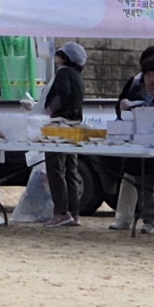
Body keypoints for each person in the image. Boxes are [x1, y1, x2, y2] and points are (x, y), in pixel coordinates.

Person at [113, 50, 154, 232]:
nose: (152, 79)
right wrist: (124, 108)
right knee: (145, 186)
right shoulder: (135, 91)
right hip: (142, 145)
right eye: (149, 75)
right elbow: (121, 116)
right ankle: (149, 220)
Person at [41, 42, 87, 228]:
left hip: (60, 124)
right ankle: (74, 213)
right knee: (71, 169)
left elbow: (60, 96)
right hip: (75, 125)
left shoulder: (63, 74)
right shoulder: (77, 76)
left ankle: (61, 211)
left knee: (55, 167)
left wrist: (51, 109)